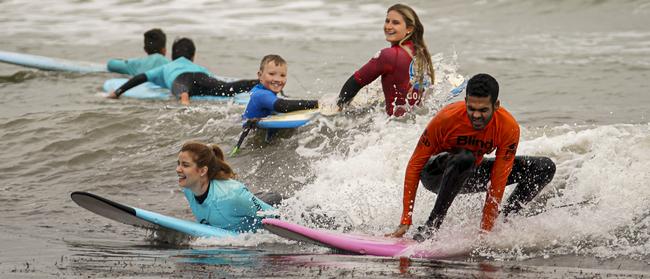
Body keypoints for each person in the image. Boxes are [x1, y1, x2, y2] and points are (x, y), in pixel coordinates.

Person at [387, 73, 556, 241]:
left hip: (470, 172)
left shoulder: (507, 127)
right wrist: (405, 220)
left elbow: (498, 179)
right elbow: (415, 164)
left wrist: (486, 231)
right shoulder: (446, 118)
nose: (476, 115)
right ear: (466, 102)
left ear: (496, 105)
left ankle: (504, 222)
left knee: (544, 167)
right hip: (435, 174)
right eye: (471, 109)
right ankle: (431, 227)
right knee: (465, 158)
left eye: (483, 110)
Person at [336, 4, 435, 117]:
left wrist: (338, 107)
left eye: (395, 23)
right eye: (387, 21)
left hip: (392, 125)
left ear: (409, 29)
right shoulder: (421, 54)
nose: (388, 26)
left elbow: (355, 83)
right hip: (417, 121)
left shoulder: (388, 55)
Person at [108, 37, 258, 105]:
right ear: (193, 56)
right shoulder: (198, 67)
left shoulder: (166, 67)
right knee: (228, 88)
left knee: (182, 90)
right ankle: (258, 82)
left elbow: (141, 77)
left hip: (180, 79)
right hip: (201, 77)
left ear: (172, 56)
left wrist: (117, 92)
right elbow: (210, 78)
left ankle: (184, 99)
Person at [176, 141, 279, 232]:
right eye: (178, 164)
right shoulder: (189, 190)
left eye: (185, 165)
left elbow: (274, 215)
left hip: (274, 204)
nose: (178, 169)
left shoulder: (231, 195)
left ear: (203, 171)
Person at [242, 54, 319, 120]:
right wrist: (318, 103)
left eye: (282, 75)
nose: (277, 79)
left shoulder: (260, 89)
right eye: (271, 74)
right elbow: (283, 106)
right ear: (260, 75)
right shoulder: (261, 94)